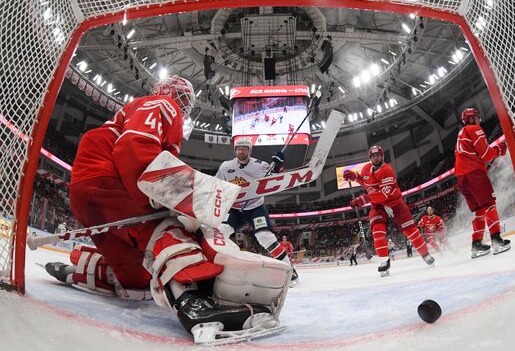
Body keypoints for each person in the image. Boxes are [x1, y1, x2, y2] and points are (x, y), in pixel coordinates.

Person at [44, 76, 287, 342]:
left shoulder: (143, 109)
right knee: (167, 228)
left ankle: (82, 269)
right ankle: (195, 306)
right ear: (170, 93)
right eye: (182, 97)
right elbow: (133, 150)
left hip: (89, 197)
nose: (184, 106)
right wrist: (178, 199)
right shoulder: (163, 105)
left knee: (138, 281)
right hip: (108, 179)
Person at [343, 145, 434, 277]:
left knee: (411, 231)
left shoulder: (387, 170)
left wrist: (363, 199)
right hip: (378, 206)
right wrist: (354, 176)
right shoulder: (366, 169)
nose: (376, 158)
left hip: (394, 203)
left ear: (382, 156)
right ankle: (384, 262)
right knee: (377, 232)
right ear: (370, 157)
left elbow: (382, 194)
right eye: (373, 156)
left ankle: (426, 254)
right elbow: (366, 182)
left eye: (378, 155)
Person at [215, 138, 299, 282]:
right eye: (238, 148)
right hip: (235, 209)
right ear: (235, 150)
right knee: (220, 232)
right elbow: (217, 185)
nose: (241, 151)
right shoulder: (225, 167)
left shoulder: (260, 166)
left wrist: (278, 166)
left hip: (255, 208)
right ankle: (218, 268)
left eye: (244, 148)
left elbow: (275, 179)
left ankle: (290, 271)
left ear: (250, 150)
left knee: (265, 237)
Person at [455, 108, 510, 258]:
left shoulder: (461, 134)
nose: (479, 120)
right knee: (489, 205)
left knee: (480, 211)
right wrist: (500, 149)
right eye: (477, 117)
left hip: (462, 178)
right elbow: (485, 154)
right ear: (472, 118)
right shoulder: (475, 129)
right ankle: (496, 240)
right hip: (474, 174)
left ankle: (477, 244)